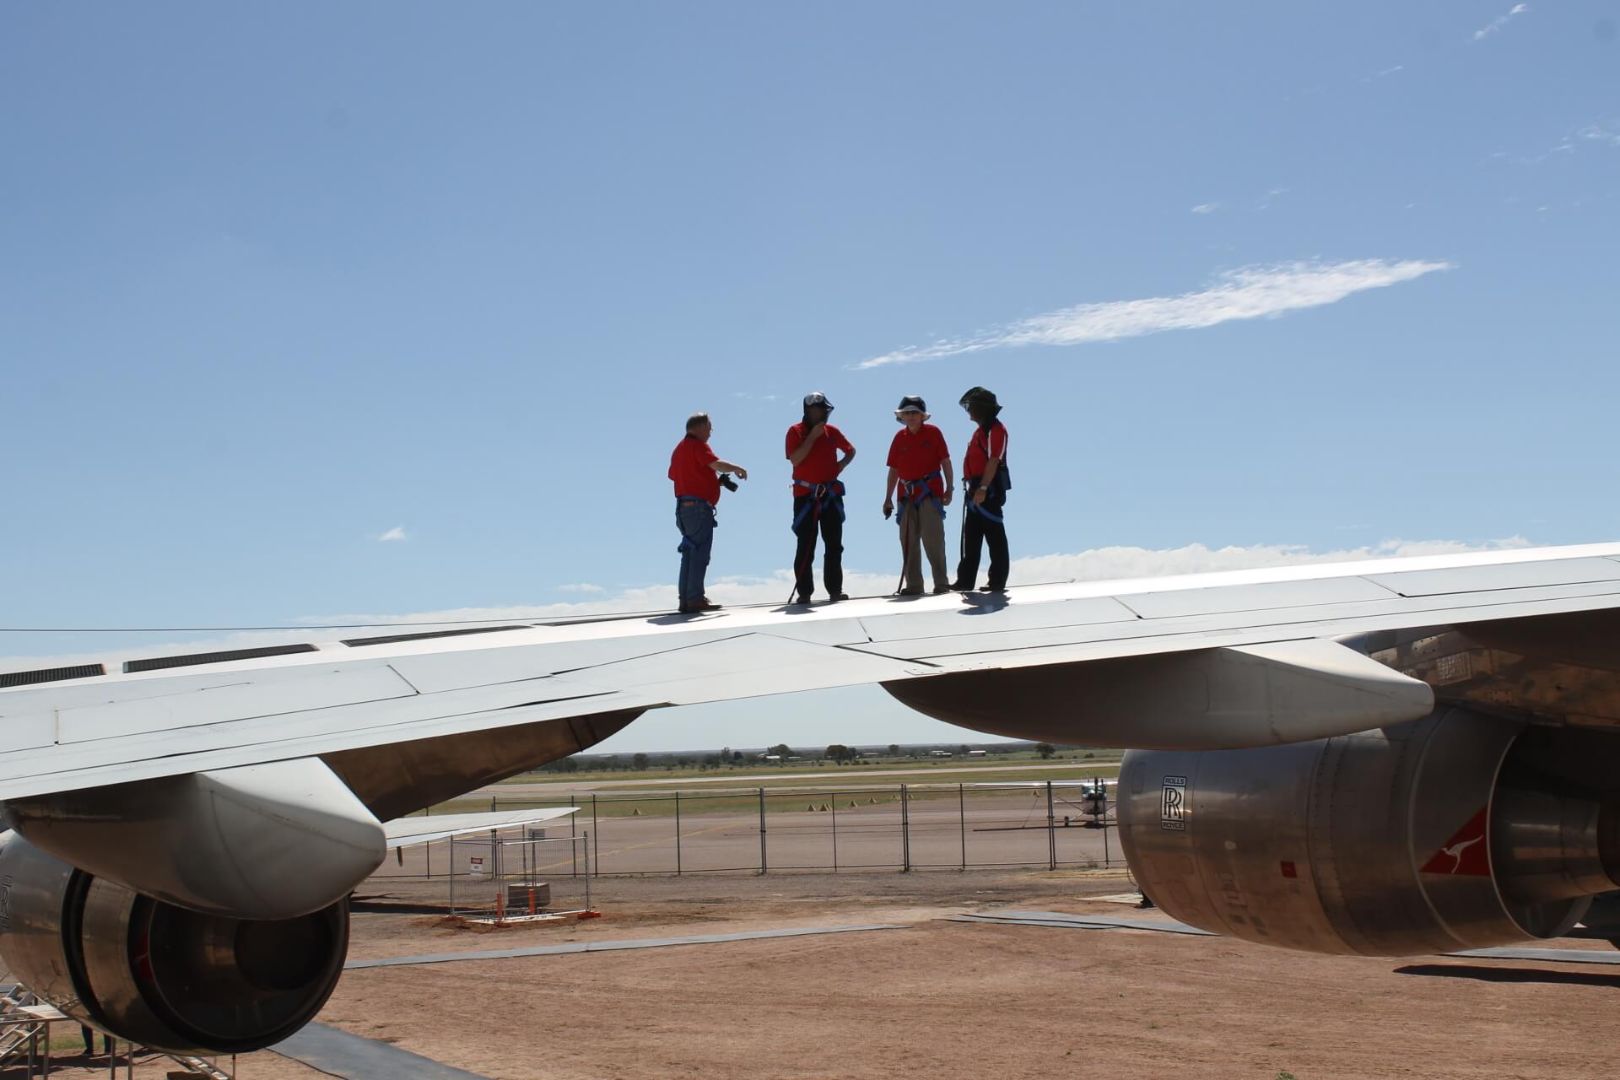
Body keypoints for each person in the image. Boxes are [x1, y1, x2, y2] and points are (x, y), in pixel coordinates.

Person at [668, 412, 747, 615]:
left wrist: (711, 481)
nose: (710, 432)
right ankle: (694, 598)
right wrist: (737, 468)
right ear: (700, 427)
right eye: (709, 428)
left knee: (689, 554)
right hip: (698, 509)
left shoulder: (679, 449)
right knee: (700, 554)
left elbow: (676, 475)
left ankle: (686, 599)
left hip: (683, 509)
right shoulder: (697, 445)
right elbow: (716, 464)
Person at [785, 392, 856, 604]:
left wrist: (840, 466)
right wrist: (813, 437)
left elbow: (851, 450)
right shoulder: (795, 431)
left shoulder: (832, 432)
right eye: (818, 410)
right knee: (806, 544)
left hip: (830, 495)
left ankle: (835, 589)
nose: (822, 414)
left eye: (824, 410)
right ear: (808, 411)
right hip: (805, 496)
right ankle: (804, 593)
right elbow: (795, 459)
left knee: (834, 544)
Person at [882, 396, 954, 595]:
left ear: (922, 416)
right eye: (907, 413)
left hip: (930, 493)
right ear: (902, 416)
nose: (911, 416)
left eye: (914, 413)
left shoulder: (933, 433)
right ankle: (913, 585)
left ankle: (941, 583)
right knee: (908, 541)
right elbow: (894, 469)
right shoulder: (899, 437)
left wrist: (950, 488)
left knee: (934, 540)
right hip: (905, 496)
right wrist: (888, 498)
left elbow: (945, 462)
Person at [951, 386, 1011, 592]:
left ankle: (997, 581)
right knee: (972, 537)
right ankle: (965, 581)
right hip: (975, 488)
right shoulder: (981, 430)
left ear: (981, 408)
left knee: (995, 536)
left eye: (972, 406)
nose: (969, 410)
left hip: (987, 489)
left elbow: (994, 459)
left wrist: (984, 487)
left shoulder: (996, 429)